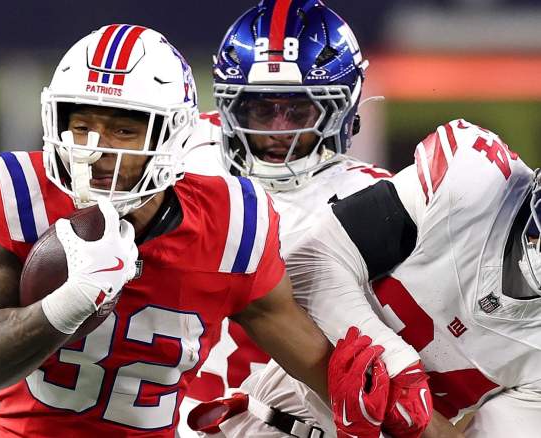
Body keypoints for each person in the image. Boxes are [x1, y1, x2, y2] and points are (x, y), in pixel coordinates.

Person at [0, 24, 334, 437]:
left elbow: (321, 370)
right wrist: (72, 300)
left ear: (172, 136)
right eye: (81, 126)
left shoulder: (232, 223)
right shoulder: (17, 194)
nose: (96, 150)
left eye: (123, 131)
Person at [204, 119, 541, 437]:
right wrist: (397, 370)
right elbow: (308, 262)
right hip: (272, 420)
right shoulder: (477, 179)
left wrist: (393, 423)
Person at [177, 1, 399, 436]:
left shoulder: (376, 201)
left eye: (298, 111)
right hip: (165, 417)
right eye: (262, 110)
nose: (280, 129)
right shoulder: (183, 154)